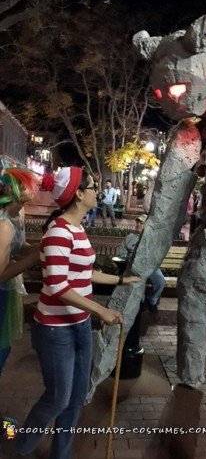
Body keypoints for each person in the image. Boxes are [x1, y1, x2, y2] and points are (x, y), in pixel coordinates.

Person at [16, 167, 139, 459]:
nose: (98, 191)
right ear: (79, 194)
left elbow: (85, 274)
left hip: (80, 326)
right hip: (56, 330)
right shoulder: (58, 231)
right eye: (93, 186)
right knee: (58, 399)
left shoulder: (77, 228)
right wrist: (101, 310)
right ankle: (20, 445)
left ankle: (62, 454)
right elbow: (58, 285)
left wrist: (122, 280)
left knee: (74, 399)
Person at [0, 165, 40, 376]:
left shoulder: (15, 216)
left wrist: (41, 247)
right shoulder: (4, 225)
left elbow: (19, 247)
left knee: (4, 349)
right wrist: (34, 257)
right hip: (1, 291)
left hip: (6, 292)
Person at [119, 214, 165, 313]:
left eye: (141, 223)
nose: (138, 224)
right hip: (133, 266)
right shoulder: (130, 237)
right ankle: (141, 302)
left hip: (150, 267)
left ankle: (152, 301)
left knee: (160, 280)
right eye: (137, 222)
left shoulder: (152, 238)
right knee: (138, 280)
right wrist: (127, 260)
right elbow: (121, 254)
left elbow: (158, 255)